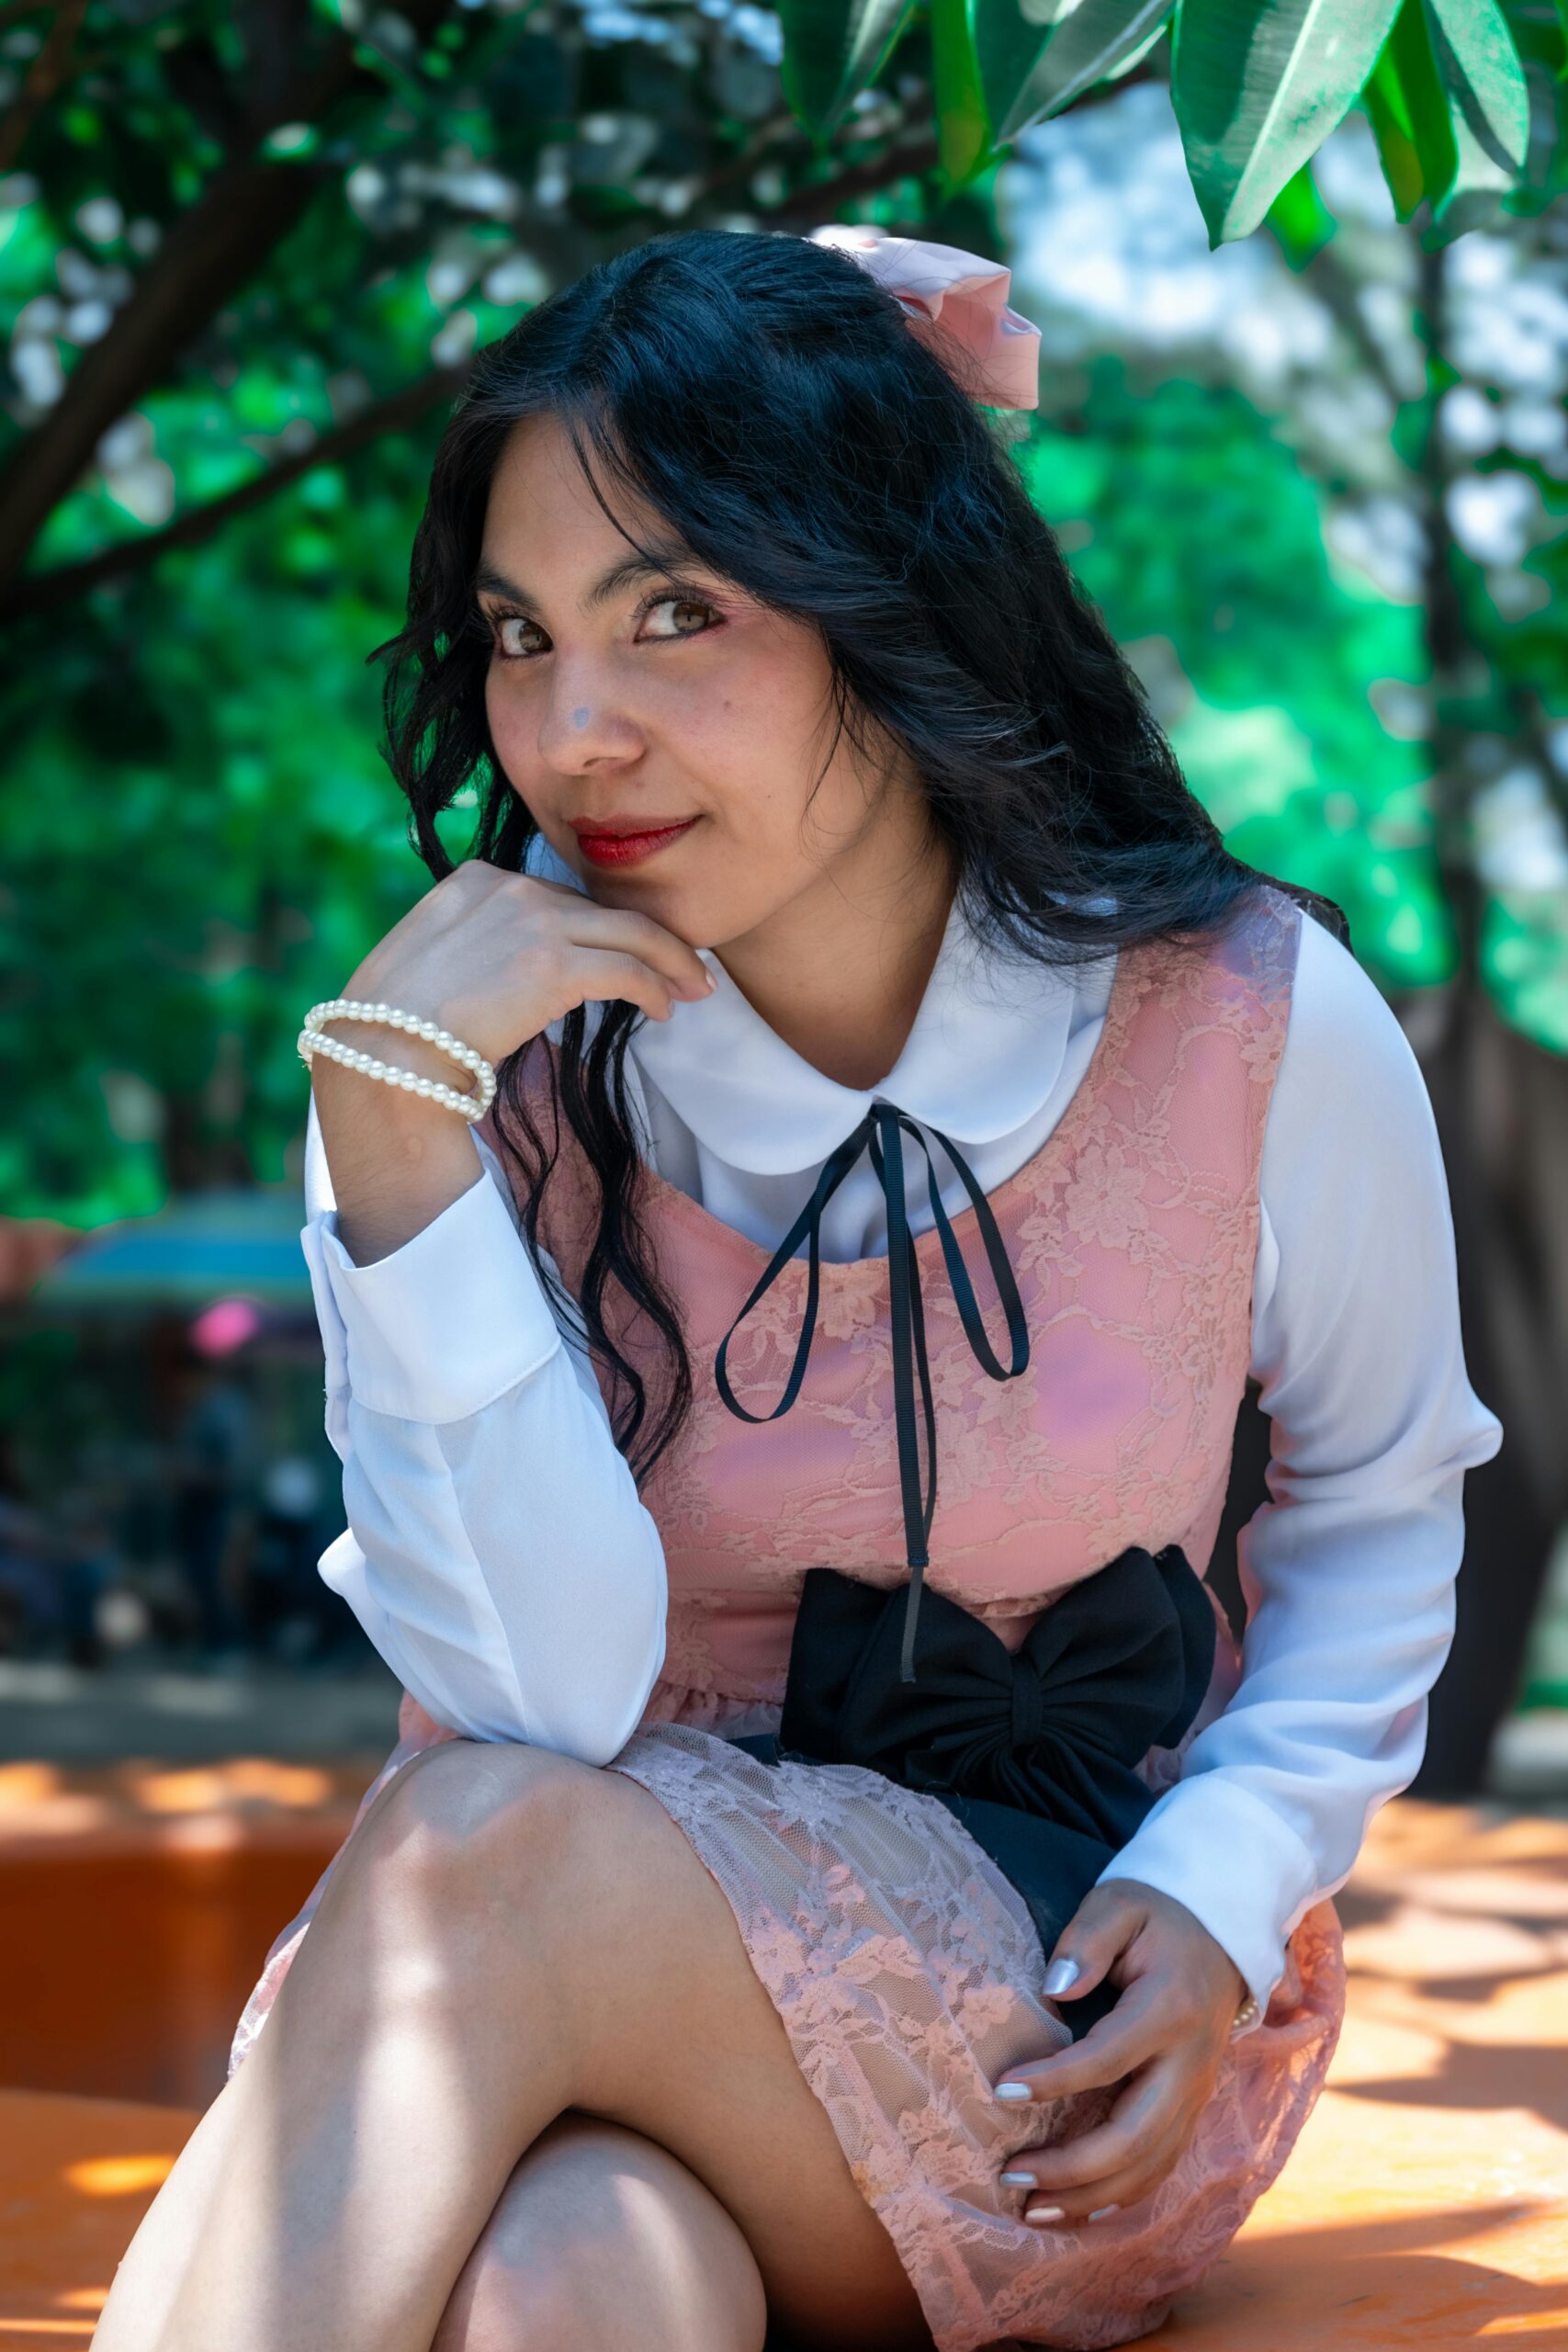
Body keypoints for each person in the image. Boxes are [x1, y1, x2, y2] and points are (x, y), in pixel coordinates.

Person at [94, 227, 1503, 2352]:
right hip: (580, 1955)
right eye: (516, 633)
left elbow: (1383, 1502)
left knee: (479, 1852)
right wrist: (396, 1157)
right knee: (581, 2275)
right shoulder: (443, 1069)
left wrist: (1226, 1878)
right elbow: (551, 1707)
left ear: (892, 604)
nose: (577, 731)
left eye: (678, 611)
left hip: (1070, 2029)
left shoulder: (1239, 1019)